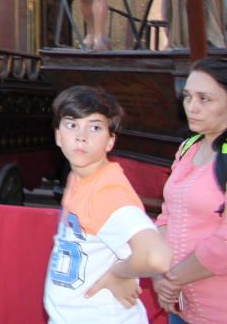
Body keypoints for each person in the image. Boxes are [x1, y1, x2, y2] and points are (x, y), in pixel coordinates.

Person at [44, 85, 172, 323]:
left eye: (94, 127)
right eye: (72, 124)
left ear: (110, 141)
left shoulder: (107, 192)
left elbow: (157, 256)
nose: (81, 136)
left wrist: (117, 273)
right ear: (58, 135)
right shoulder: (79, 177)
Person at [151, 57, 227, 324]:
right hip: (181, 305)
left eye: (205, 99)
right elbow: (167, 215)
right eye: (187, 96)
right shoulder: (188, 147)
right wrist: (159, 271)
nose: (191, 107)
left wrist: (173, 278)